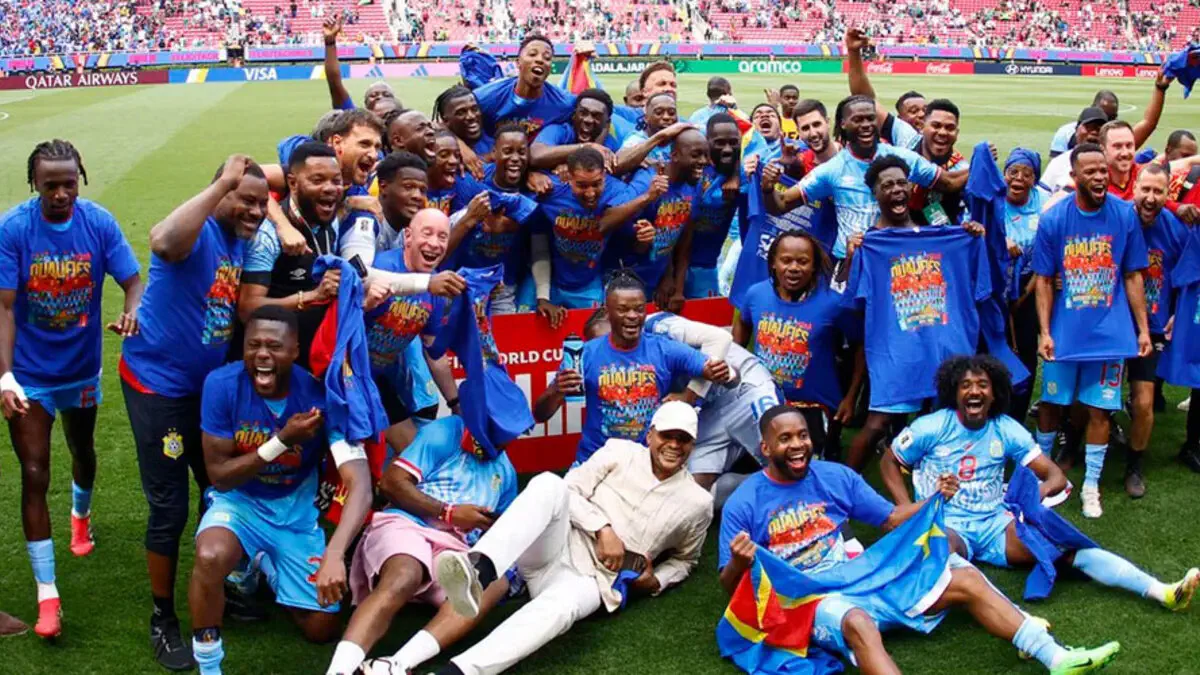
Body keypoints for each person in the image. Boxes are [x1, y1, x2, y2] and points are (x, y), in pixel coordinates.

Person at [720, 404, 1122, 675]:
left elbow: (890, 519)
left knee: (964, 578)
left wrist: (934, 500)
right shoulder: (745, 502)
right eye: (785, 439)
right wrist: (739, 562)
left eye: (802, 436)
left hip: (860, 577)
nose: (797, 446)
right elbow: (728, 585)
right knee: (858, 622)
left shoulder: (835, 476)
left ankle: (1056, 657)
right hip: (810, 599)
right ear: (765, 447)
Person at [881, 355, 1199, 610]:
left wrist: (1038, 492)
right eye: (965, 385)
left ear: (995, 393)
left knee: (1067, 550)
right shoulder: (930, 427)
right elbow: (889, 461)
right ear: (954, 392)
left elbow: (1055, 475)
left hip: (994, 524)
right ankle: (1019, 622)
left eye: (982, 385)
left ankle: (1162, 591)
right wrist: (906, 509)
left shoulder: (1005, 428)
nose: (974, 391)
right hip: (946, 521)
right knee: (942, 552)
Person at [431, 400, 714, 675]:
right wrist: (602, 528)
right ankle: (479, 570)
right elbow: (570, 488)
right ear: (650, 435)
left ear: (693, 444)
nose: (674, 445)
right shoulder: (619, 451)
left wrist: (656, 581)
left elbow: (686, 560)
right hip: (561, 542)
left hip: (597, 578)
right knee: (548, 484)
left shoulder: (698, 503)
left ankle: (459, 671)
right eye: (667, 435)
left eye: (683, 439)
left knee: (559, 610)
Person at [120, 156, 268, 670]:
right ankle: (162, 618)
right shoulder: (197, 231)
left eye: (262, 204)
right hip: (158, 388)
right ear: (221, 193)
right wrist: (225, 182)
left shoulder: (238, 237)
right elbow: (162, 240)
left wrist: (263, 201)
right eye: (245, 200)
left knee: (219, 487)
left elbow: (280, 173)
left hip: (205, 392)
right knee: (170, 507)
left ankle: (217, 587)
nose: (255, 211)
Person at [0, 139, 142, 639]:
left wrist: (132, 310)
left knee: (82, 449)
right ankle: (48, 596)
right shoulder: (14, 228)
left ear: (79, 178)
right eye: (50, 185)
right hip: (30, 375)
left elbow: (132, 280)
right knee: (34, 471)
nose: (60, 194)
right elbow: (3, 307)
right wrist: (5, 376)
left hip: (80, 370)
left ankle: (80, 516)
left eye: (68, 183)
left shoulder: (98, 223)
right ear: (34, 183)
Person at [188, 306, 371, 675]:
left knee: (321, 628)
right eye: (253, 345)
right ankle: (209, 666)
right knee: (210, 556)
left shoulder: (320, 395)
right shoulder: (221, 385)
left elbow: (361, 486)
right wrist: (282, 441)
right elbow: (220, 476)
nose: (262, 355)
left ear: (295, 350)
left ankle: (265, 565)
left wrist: (336, 553)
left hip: (294, 512)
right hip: (239, 503)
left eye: (274, 346)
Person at [327, 379, 529, 674]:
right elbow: (391, 484)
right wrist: (448, 513)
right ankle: (339, 671)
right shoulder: (445, 431)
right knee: (405, 573)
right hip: (406, 525)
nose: (504, 440)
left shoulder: (505, 471)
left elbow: (502, 530)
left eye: (509, 433)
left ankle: (397, 664)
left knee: (492, 584)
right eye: (499, 430)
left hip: (455, 550)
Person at [840, 155, 989, 471]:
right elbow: (852, 301)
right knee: (878, 422)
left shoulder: (944, 235)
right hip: (897, 352)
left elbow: (979, 283)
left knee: (949, 420)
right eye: (887, 185)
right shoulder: (870, 244)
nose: (896, 189)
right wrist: (853, 256)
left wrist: (972, 236)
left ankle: (944, 483)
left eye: (901, 183)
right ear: (875, 194)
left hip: (943, 347)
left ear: (911, 188)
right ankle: (841, 489)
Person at [1033, 143, 1152, 519]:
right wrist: (1044, 332)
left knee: (1100, 410)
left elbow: (1132, 275)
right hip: (1065, 334)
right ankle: (1040, 476)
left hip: (1109, 335)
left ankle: (1090, 486)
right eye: (1092, 171)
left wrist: (1143, 330)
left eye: (1104, 170)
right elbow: (1043, 279)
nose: (1101, 176)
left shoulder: (1125, 214)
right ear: (1074, 177)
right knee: (1051, 405)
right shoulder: (1054, 219)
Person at [536, 270, 727, 464]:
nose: (632, 316)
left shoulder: (664, 349)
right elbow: (540, 414)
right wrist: (556, 390)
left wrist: (714, 374)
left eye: (639, 309)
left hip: (646, 463)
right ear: (608, 311)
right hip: (594, 461)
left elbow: (718, 369)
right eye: (623, 309)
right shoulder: (585, 355)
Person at [776, 94, 966, 262]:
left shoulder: (903, 158)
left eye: (870, 118)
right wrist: (768, 188)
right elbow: (782, 203)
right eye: (858, 119)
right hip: (850, 259)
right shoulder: (832, 169)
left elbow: (949, 182)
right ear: (843, 124)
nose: (866, 125)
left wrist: (980, 163)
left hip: (894, 257)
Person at [734, 231, 863, 460]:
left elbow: (860, 346)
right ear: (773, 263)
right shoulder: (756, 294)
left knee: (802, 467)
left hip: (814, 407)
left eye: (803, 262)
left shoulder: (833, 304)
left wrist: (850, 398)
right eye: (786, 260)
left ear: (814, 267)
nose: (794, 268)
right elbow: (743, 323)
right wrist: (737, 363)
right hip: (764, 399)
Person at [363, 209, 464, 453]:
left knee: (412, 453)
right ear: (408, 236)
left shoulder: (438, 288)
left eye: (442, 237)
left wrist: (455, 402)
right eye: (427, 233)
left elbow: (434, 353)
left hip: (379, 378)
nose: (434, 243)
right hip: (348, 372)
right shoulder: (381, 267)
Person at [239, 142, 345, 369]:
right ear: (293, 183)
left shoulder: (331, 220)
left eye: (336, 181)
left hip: (312, 356)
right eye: (317, 180)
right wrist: (312, 296)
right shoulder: (267, 236)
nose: (330, 188)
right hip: (270, 362)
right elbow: (248, 308)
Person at [529, 147, 665, 314]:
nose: (590, 193)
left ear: (605, 177)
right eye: (582, 185)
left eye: (596, 184)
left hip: (588, 285)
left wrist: (642, 166)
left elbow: (614, 227)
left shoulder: (618, 192)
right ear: (569, 177)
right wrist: (531, 175)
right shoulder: (550, 191)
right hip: (547, 280)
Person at [1124, 164, 1189, 497]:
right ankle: (1074, 444)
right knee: (1089, 401)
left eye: (1158, 191)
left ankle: (1134, 464)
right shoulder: (1118, 218)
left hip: (1151, 330)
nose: (1150, 198)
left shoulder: (1176, 230)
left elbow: (1188, 278)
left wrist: (1178, 312)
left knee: (1144, 403)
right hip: (1111, 328)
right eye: (1145, 189)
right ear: (1134, 188)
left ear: (1168, 194)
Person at [608, 127, 709, 307]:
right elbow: (607, 219)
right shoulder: (647, 180)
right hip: (625, 282)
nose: (703, 161)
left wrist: (674, 284)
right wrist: (648, 197)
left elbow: (681, 237)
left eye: (706, 155)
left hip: (657, 280)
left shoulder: (693, 184)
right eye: (696, 155)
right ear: (674, 155)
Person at [446, 125, 541, 314]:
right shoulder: (471, 179)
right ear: (494, 153)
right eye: (508, 151)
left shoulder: (535, 189)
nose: (515, 158)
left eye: (522, 152)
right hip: (462, 281)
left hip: (502, 287)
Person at [1042, 75, 1170, 192]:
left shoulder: (1113, 156)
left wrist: (1160, 88)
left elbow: (1148, 124)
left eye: (1099, 128)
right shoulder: (1060, 161)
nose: (1094, 132)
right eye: (1089, 127)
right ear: (1077, 129)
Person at [1001, 148, 1050, 421]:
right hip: (994, 288)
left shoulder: (1044, 203)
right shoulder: (991, 199)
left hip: (1031, 285)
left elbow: (1047, 255)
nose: (1018, 178)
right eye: (1013, 172)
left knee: (1025, 350)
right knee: (994, 351)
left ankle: (1016, 418)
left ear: (1035, 179)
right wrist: (999, 241)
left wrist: (1022, 296)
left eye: (1027, 174)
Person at [686, 114, 745, 299]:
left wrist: (736, 173)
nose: (727, 149)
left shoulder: (743, 174)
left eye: (733, 142)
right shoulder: (693, 167)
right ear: (707, 141)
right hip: (671, 263)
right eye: (719, 143)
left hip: (706, 265)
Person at [472, 34, 574, 139]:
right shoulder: (485, 97)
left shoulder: (564, 103)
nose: (540, 60)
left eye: (547, 58)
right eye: (532, 54)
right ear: (518, 62)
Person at [844, 28, 923, 148]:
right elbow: (866, 100)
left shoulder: (945, 143)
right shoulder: (906, 137)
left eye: (926, 110)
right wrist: (854, 52)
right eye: (913, 111)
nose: (922, 114)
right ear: (900, 119)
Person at [530, 88, 621, 171]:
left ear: (607, 122)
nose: (588, 120)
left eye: (596, 116)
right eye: (583, 113)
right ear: (574, 115)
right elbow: (535, 155)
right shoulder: (559, 131)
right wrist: (586, 147)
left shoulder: (610, 145)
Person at [322, 16, 397, 114]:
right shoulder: (358, 119)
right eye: (373, 95)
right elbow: (334, 84)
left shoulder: (404, 121)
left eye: (386, 95)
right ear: (366, 104)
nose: (379, 97)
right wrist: (330, 42)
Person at [613, 92, 690, 175]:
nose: (666, 117)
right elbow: (617, 164)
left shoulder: (681, 138)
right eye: (659, 112)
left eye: (671, 113)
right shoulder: (636, 139)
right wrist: (661, 136)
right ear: (646, 118)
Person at [1050, 91, 1119, 158]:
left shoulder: (1119, 134)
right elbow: (1055, 161)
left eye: (1111, 117)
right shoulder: (1066, 133)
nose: (1106, 120)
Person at [433, 84, 493, 158]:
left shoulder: (494, 137)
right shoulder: (441, 150)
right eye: (461, 113)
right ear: (445, 120)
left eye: (474, 109)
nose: (471, 116)